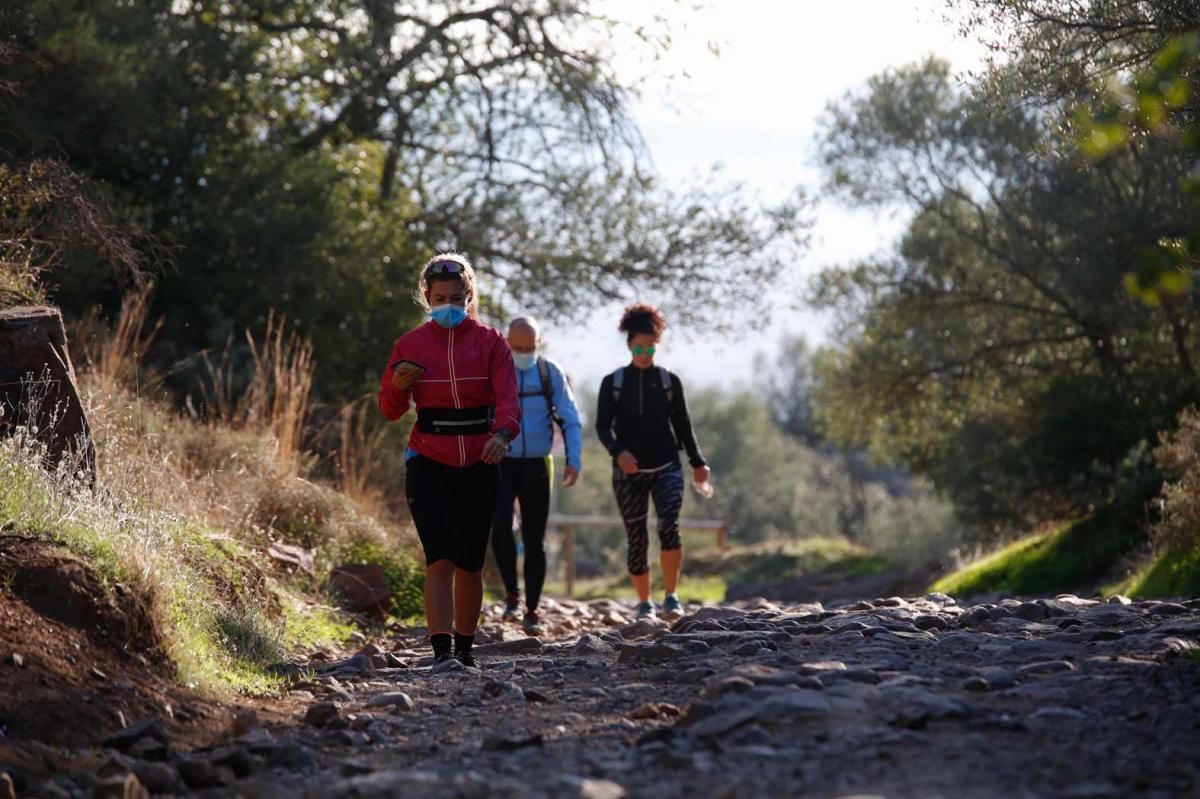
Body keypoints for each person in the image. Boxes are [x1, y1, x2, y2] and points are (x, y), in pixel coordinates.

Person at [378, 253, 520, 666]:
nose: (448, 306)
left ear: (469, 295)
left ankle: (465, 648)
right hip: (429, 459)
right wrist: (395, 384)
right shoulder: (409, 345)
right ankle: (441, 653)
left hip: (481, 459)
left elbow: (509, 399)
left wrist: (502, 435)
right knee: (439, 558)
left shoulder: (491, 342)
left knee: (471, 563)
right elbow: (390, 409)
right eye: (439, 298)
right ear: (426, 296)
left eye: (456, 298)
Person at [595, 303, 711, 621]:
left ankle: (671, 596)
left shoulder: (670, 382)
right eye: (639, 347)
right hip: (627, 471)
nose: (645, 353)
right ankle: (644, 602)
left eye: (650, 347)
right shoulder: (614, 383)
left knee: (669, 526)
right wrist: (619, 452)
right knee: (637, 536)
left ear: (657, 345)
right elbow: (602, 426)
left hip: (666, 466)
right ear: (630, 345)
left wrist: (698, 463)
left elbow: (684, 426)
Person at [491, 316, 583, 635]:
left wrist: (574, 459)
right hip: (502, 462)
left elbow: (570, 418)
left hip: (538, 464)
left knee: (534, 539)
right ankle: (511, 594)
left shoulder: (549, 373)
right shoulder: (496, 370)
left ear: (538, 344)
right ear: (506, 343)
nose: (524, 353)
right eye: (517, 348)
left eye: (529, 348)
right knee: (500, 525)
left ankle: (531, 608)